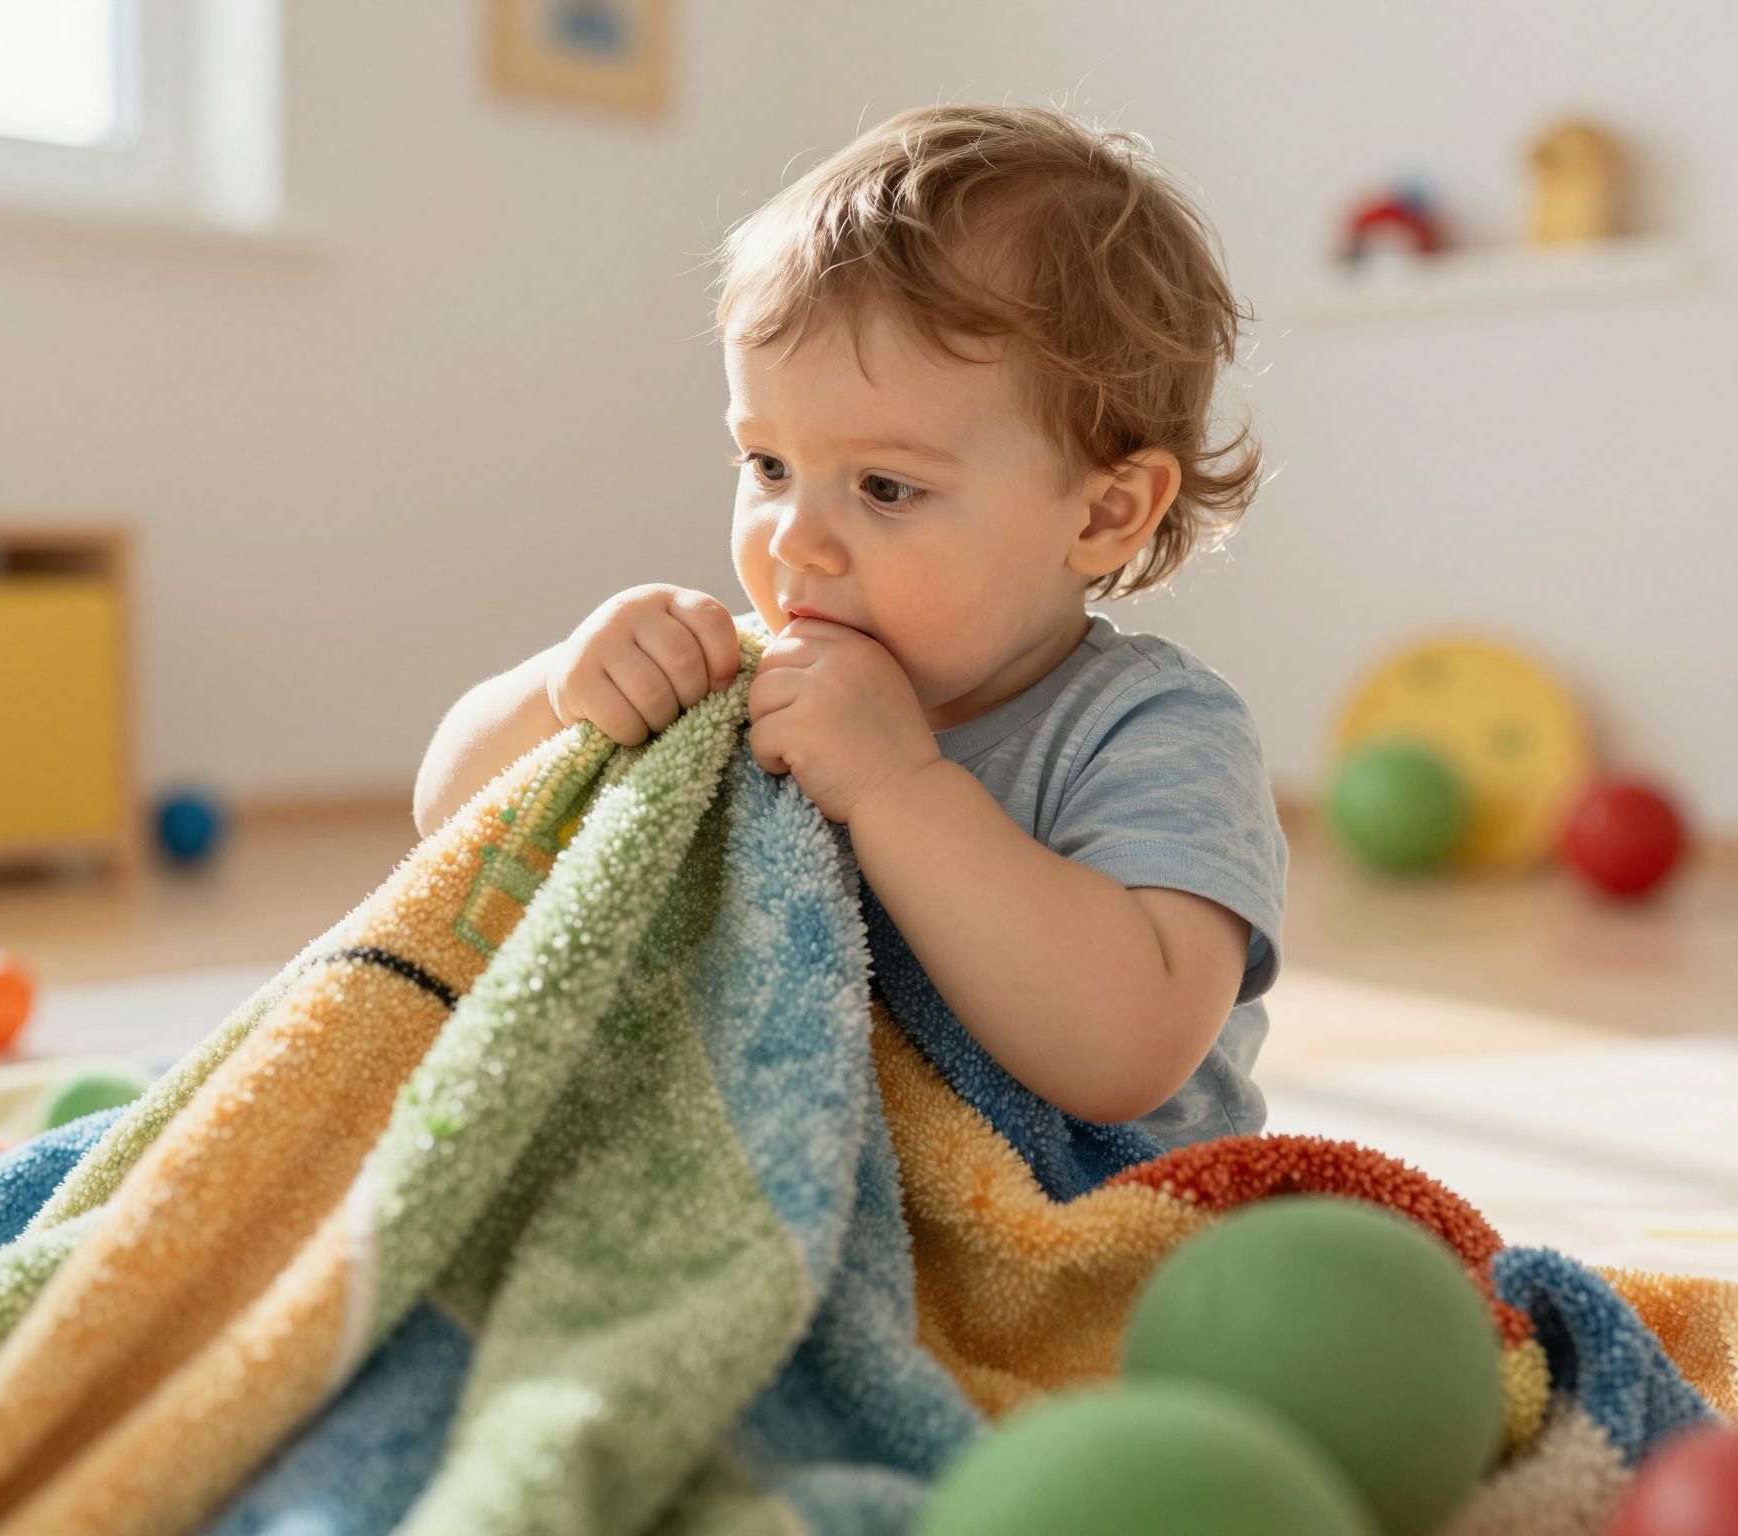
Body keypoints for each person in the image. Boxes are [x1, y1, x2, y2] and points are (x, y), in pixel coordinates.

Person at [413, 103, 1286, 1145]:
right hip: (792, 1173)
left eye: (884, 487)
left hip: (1082, 1204)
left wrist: (895, 786)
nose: (795, 540)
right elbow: (449, 826)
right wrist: (560, 695)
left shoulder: (1154, 731)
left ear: (1103, 514)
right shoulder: (738, 679)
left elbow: (1124, 1050)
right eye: (768, 465)